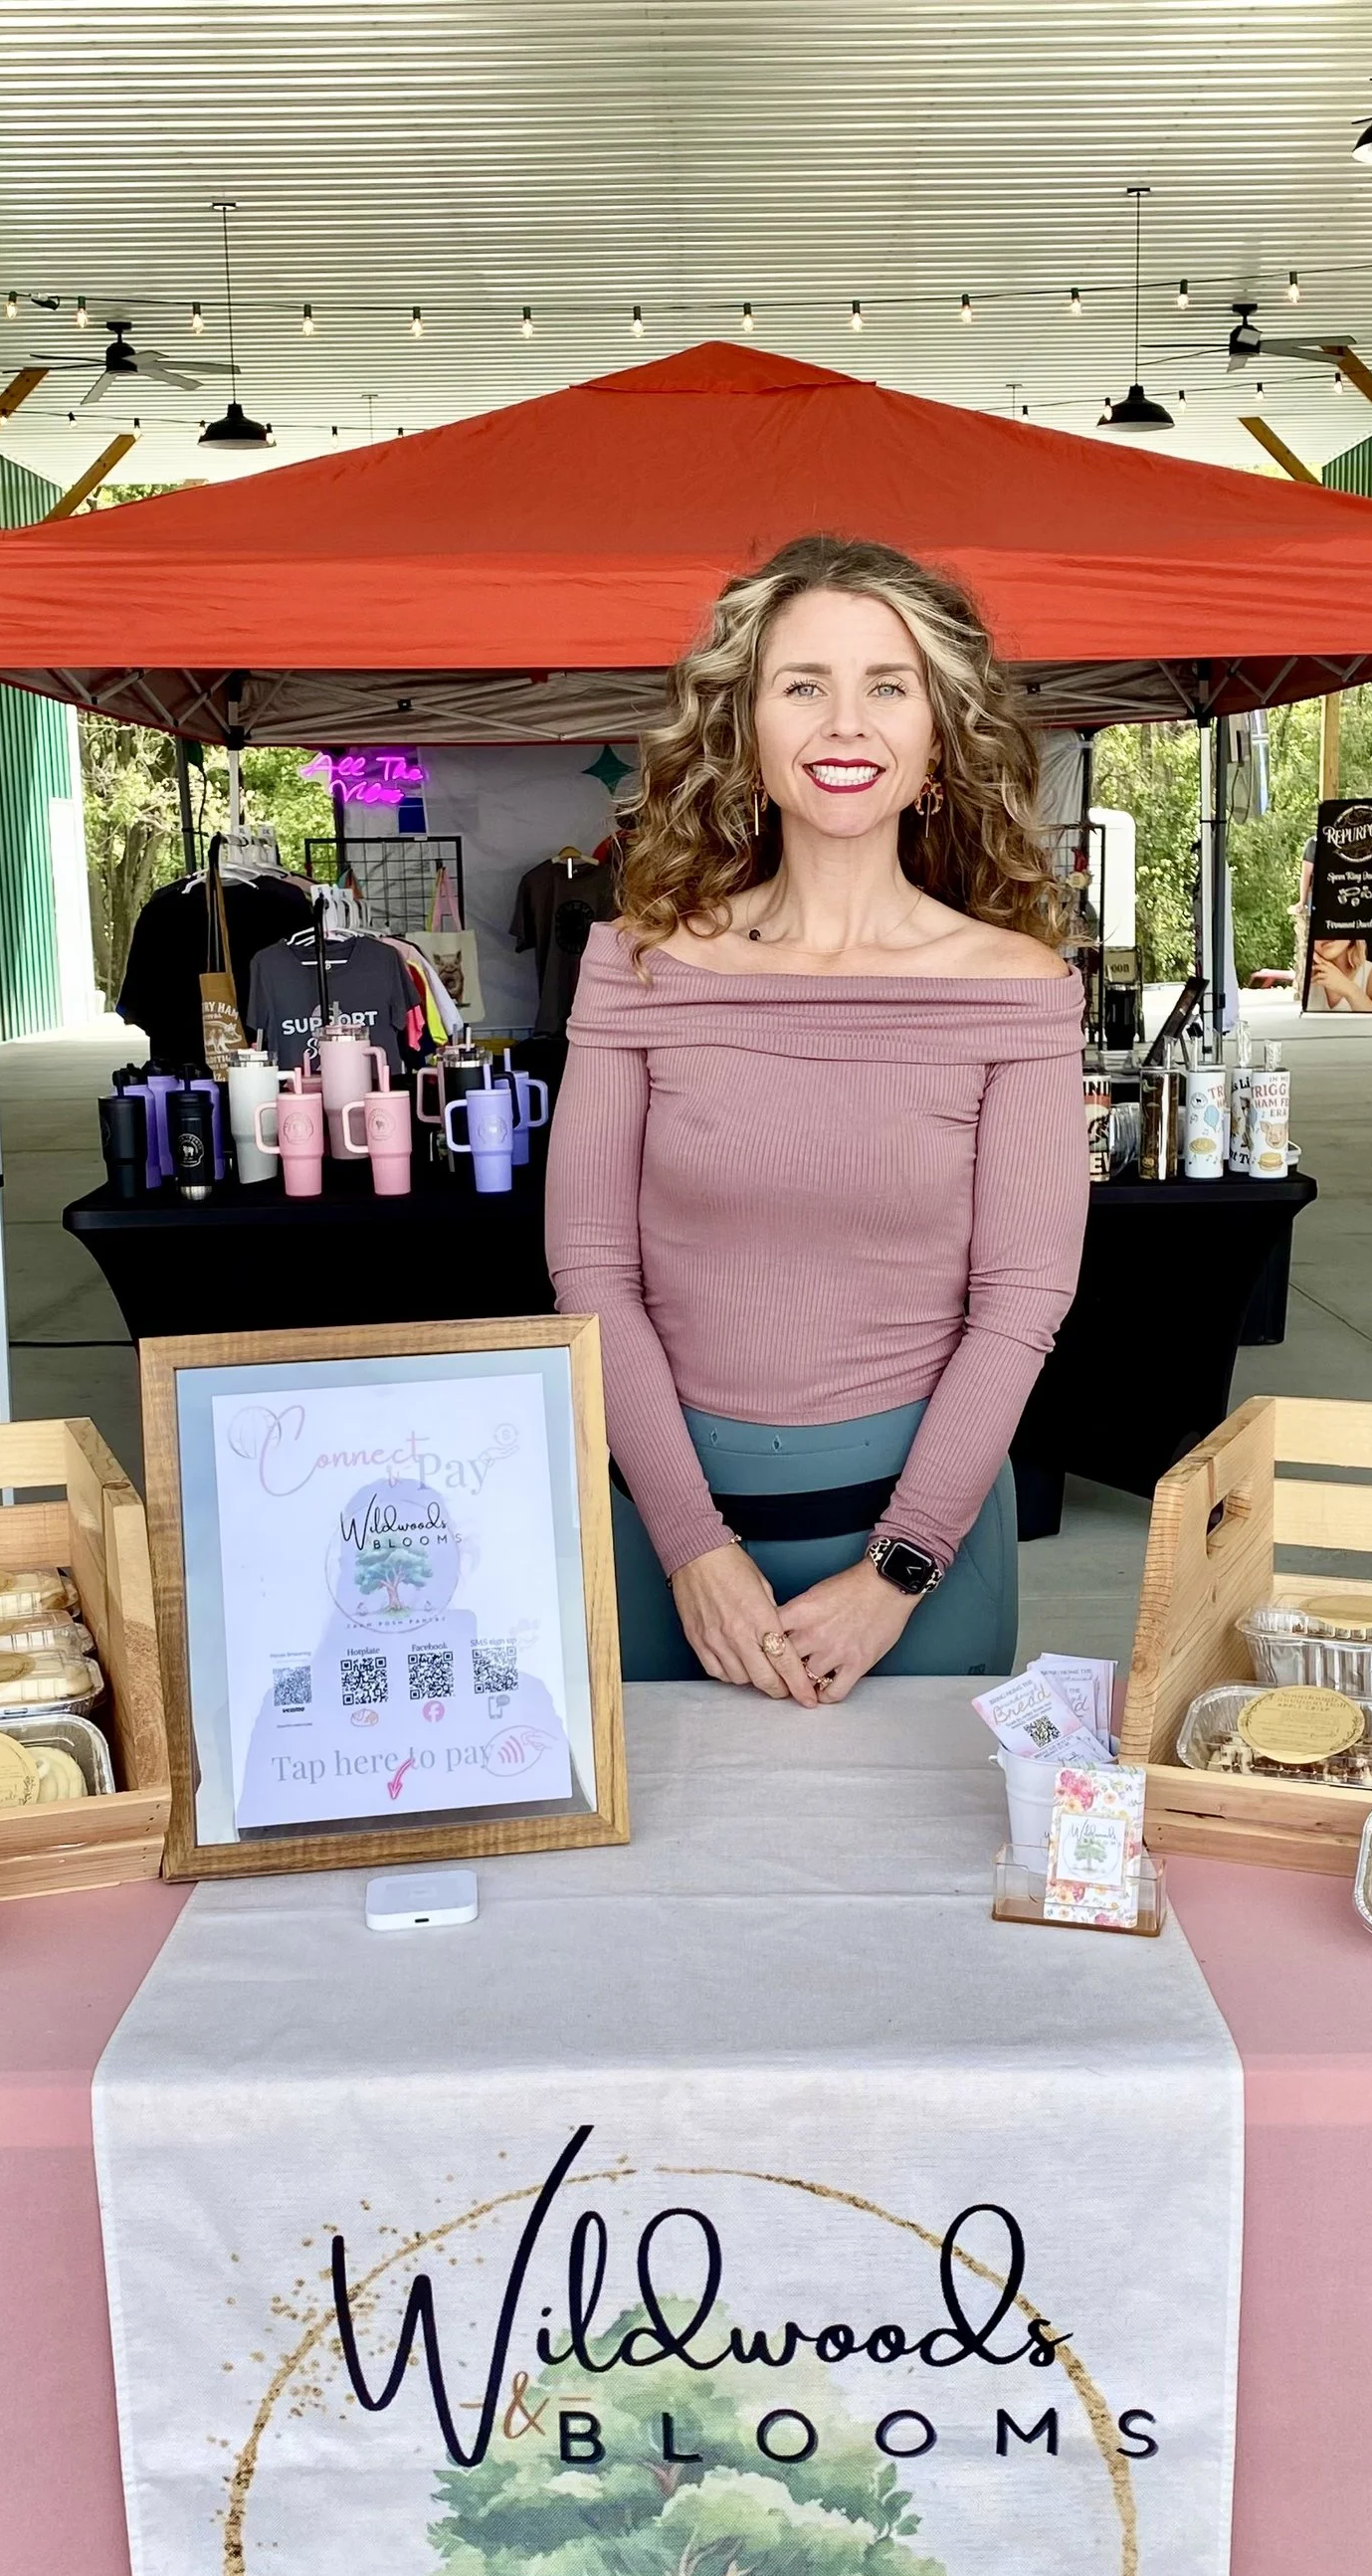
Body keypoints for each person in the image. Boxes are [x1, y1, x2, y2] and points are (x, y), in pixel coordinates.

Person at [543, 533, 1085, 1702]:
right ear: (745, 728)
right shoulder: (639, 968)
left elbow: (1022, 1303)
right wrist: (690, 1547)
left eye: (887, 687)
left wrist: (897, 1570)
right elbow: (589, 1269)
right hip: (660, 1521)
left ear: (939, 733)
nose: (847, 724)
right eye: (804, 687)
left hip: (918, 1550)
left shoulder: (1019, 989)